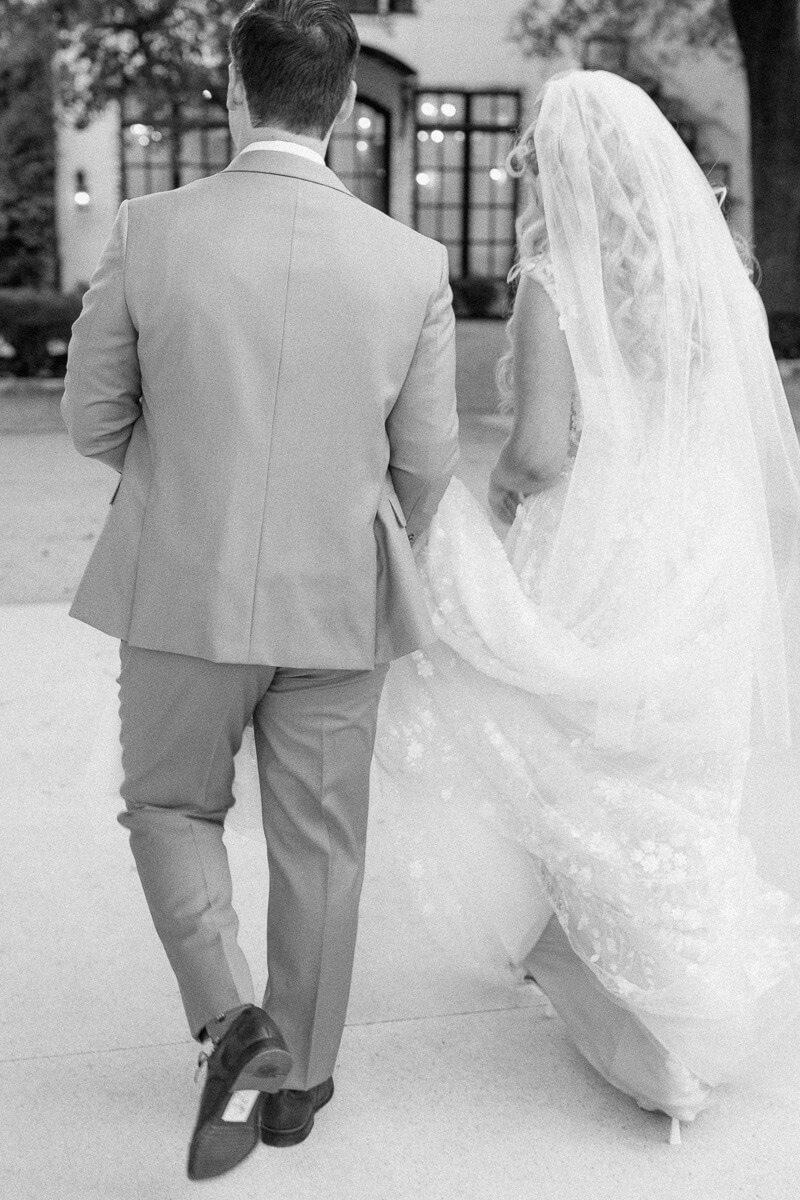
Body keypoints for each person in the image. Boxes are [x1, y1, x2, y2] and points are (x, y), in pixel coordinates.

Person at [62, 0, 458, 1181]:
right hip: (338, 595)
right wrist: (367, 534)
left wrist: (186, 489)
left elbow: (90, 417)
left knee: (170, 808)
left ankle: (230, 1019)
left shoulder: (150, 226)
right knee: (323, 846)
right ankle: (297, 1088)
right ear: (341, 103)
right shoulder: (412, 261)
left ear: (233, 86)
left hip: (180, 587)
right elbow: (427, 460)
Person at [375, 69, 800, 1142]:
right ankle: (687, 1009)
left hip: (600, 550)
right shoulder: (715, 280)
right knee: (675, 780)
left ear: (556, 170)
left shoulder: (550, 282)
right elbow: (739, 436)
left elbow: (537, 451)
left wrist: (504, 494)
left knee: (552, 748)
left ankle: (630, 1022)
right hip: (699, 554)